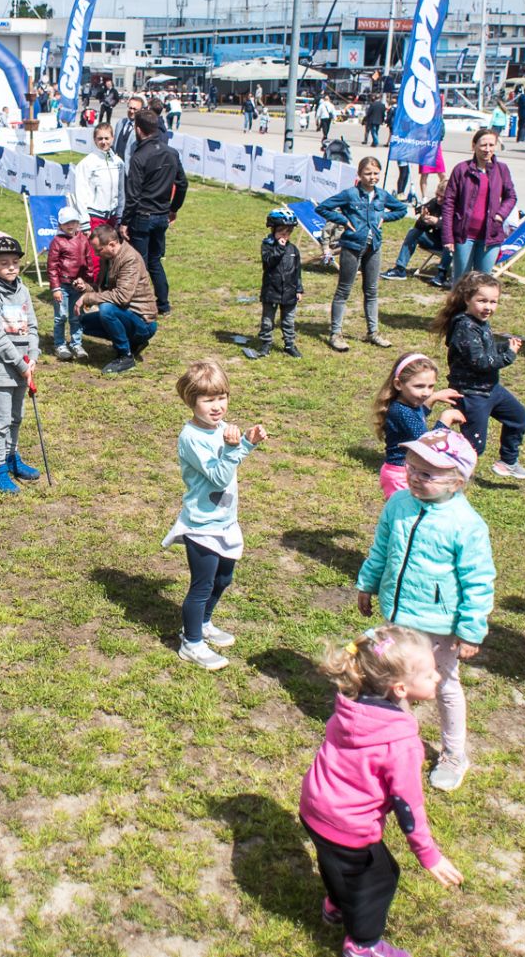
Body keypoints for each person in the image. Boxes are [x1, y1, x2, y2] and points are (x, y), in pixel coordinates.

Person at [299, 626, 463, 957]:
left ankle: (337, 904)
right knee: (380, 880)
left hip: (314, 807)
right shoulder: (401, 743)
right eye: (430, 673)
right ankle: (363, 945)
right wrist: (428, 854)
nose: (437, 677)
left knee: (335, 862)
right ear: (400, 688)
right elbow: (408, 805)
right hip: (348, 825)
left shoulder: (351, 705)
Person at [356, 428, 496, 793]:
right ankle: (399, 744)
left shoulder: (466, 525)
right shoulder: (398, 504)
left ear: (458, 481)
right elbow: (381, 548)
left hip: (439, 625)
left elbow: (478, 580)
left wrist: (470, 629)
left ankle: (453, 754)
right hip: (398, 616)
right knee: (395, 681)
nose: (415, 477)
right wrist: (367, 583)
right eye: (411, 468)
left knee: (444, 684)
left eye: (428, 474)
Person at [163, 358, 266, 670]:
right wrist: (237, 447)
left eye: (222, 397)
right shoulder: (191, 438)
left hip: (225, 521)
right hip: (202, 525)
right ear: (191, 401)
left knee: (224, 578)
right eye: (208, 400)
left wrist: (246, 443)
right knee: (202, 585)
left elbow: (229, 463)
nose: (217, 406)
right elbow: (220, 477)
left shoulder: (221, 428)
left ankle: (204, 623)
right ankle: (191, 643)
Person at [436, 273, 525, 480]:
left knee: (518, 418)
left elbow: (485, 349)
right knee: (474, 445)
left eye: (493, 302)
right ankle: (445, 472)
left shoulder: (479, 322)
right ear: (467, 299)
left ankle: (508, 461)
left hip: (490, 389)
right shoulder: (464, 326)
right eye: (482, 301)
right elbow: (480, 362)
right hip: (471, 393)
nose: (488, 307)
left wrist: (503, 346)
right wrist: (509, 356)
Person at [317, 157, 408, 350]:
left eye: (376, 173)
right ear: (359, 174)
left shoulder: (382, 195)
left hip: (374, 247)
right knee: (344, 290)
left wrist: (385, 216)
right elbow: (322, 207)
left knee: (372, 290)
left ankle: (373, 332)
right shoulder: (350, 194)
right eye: (368, 173)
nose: (372, 177)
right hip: (352, 246)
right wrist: (343, 220)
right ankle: (335, 334)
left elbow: (401, 209)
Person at [0, 235, 42, 494]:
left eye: (15, 261)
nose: (11, 267)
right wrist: (20, 364)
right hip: (1, 368)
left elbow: (32, 325)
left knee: (16, 417)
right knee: (1, 420)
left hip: (23, 367)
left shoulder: (23, 290)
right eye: (4, 263)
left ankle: (12, 456)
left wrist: (32, 355)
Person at [121, 109, 187, 316]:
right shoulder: (171, 152)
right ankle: (163, 304)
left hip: (143, 216)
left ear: (138, 130)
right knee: (155, 261)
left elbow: (133, 195)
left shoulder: (139, 157)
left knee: (139, 264)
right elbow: (182, 184)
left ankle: (139, 305)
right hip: (161, 215)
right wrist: (173, 208)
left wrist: (125, 222)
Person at [372, 352, 465, 496]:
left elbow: (418, 417)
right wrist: (445, 420)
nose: (426, 393)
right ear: (398, 384)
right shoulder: (402, 411)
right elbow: (427, 446)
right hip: (401, 475)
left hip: (409, 471)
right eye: (419, 386)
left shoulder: (408, 404)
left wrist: (433, 398)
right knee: (405, 510)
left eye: (431, 386)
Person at [75, 224, 158, 374]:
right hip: (126, 314)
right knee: (83, 323)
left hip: (144, 322)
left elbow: (121, 297)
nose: (96, 254)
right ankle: (133, 343)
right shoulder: (108, 258)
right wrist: (85, 287)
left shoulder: (130, 259)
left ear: (112, 244)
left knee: (106, 309)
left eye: (98, 250)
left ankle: (125, 356)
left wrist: (88, 298)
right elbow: (103, 290)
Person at [439, 128, 517, 279]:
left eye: (491, 145)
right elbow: (449, 204)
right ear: (474, 146)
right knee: (462, 281)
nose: (487, 149)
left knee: (483, 282)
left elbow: (511, 197)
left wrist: (500, 215)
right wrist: (448, 236)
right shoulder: (461, 169)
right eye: (483, 145)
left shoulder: (502, 169)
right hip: (464, 236)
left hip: (490, 236)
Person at [244, 206, 303, 360]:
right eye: (281, 232)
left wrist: (299, 289)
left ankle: (289, 344)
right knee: (268, 320)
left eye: (288, 232)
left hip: (289, 291)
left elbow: (297, 271)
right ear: (273, 230)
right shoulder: (267, 247)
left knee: (288, 320)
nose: (285, 236)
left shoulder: (293, 250)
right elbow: (269, 262)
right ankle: (266, 343)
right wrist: (280, 248)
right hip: (271, 290)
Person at [380, 175, 450, 288]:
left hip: (451, 245)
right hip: (436, 241)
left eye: (443, 197)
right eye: (437, 195)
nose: (438, 199)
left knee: (452, 241)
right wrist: (423, 219)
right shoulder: (434, 203)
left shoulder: (456, 207)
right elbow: (418, 227)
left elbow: (456, 229)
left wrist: (438, 222)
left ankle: (441, 275)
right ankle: (400, 269)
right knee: (414, 232)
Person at [46, 207, 94, 360]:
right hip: (62, 285)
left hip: (78, 285)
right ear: (60, 224)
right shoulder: (57, 241)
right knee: (60, 316)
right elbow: (52, 266)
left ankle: (76, 344)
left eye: (73, 222)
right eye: (66, 223)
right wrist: (55, 288)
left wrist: (87, 281)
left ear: (78, 223)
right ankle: (60, 344)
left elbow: (89, 261)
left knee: (76, 315)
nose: (70, 225)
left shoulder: (83, 239)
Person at [112, 96, 143, 160]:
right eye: (130, 108)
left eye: (135, 109)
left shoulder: (142, 127)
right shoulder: (120, 123)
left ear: (141, 110)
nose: (132, 111)